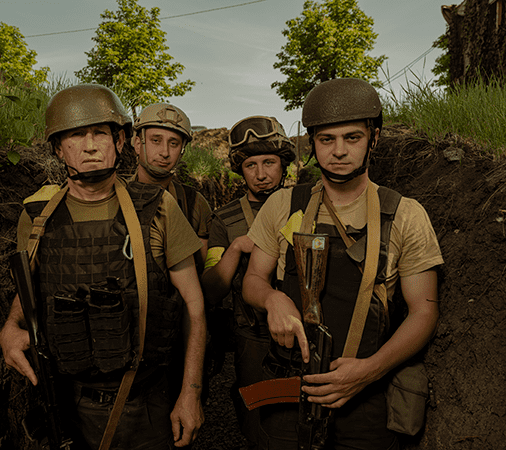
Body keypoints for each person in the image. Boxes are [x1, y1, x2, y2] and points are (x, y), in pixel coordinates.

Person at [0, 84, 206, 450]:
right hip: (71, 404)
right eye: (76, 135)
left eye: (100, 134)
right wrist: (11, 326)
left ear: (121, 141)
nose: (90, 146)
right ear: (59, 148)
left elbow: (195, 307)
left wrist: (191, 392)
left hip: (148, 401)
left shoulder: (159, 208)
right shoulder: (36, 217)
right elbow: (29, 291)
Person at [242, 78, 443, 449]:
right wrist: (272, 299)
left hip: (364, 400)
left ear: (374, 138)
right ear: (312, 143)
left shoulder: (405, 215)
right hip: (290, 388)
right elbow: (254, 277)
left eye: (352, 138)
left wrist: (370, 371)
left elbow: (424, 310)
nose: (338, 151)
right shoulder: (284, 204)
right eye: (326, 139)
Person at [201, 116, 295, 449]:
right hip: (252, 336)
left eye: (269, 162)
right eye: (250, 165)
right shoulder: (225, 218)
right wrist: (237, 247)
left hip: (302, 329)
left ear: (283, 165)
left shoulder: (308, 203)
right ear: (240, 170)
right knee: (259, 418)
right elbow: (212, 288)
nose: (260, 173)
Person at [132, 103, 211, 274]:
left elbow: (205, 273)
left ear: (182, 151)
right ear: (138, 144)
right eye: (156, 141)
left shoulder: (194, 203)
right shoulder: (115, 193)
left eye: (173, 143)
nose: (165, 152)